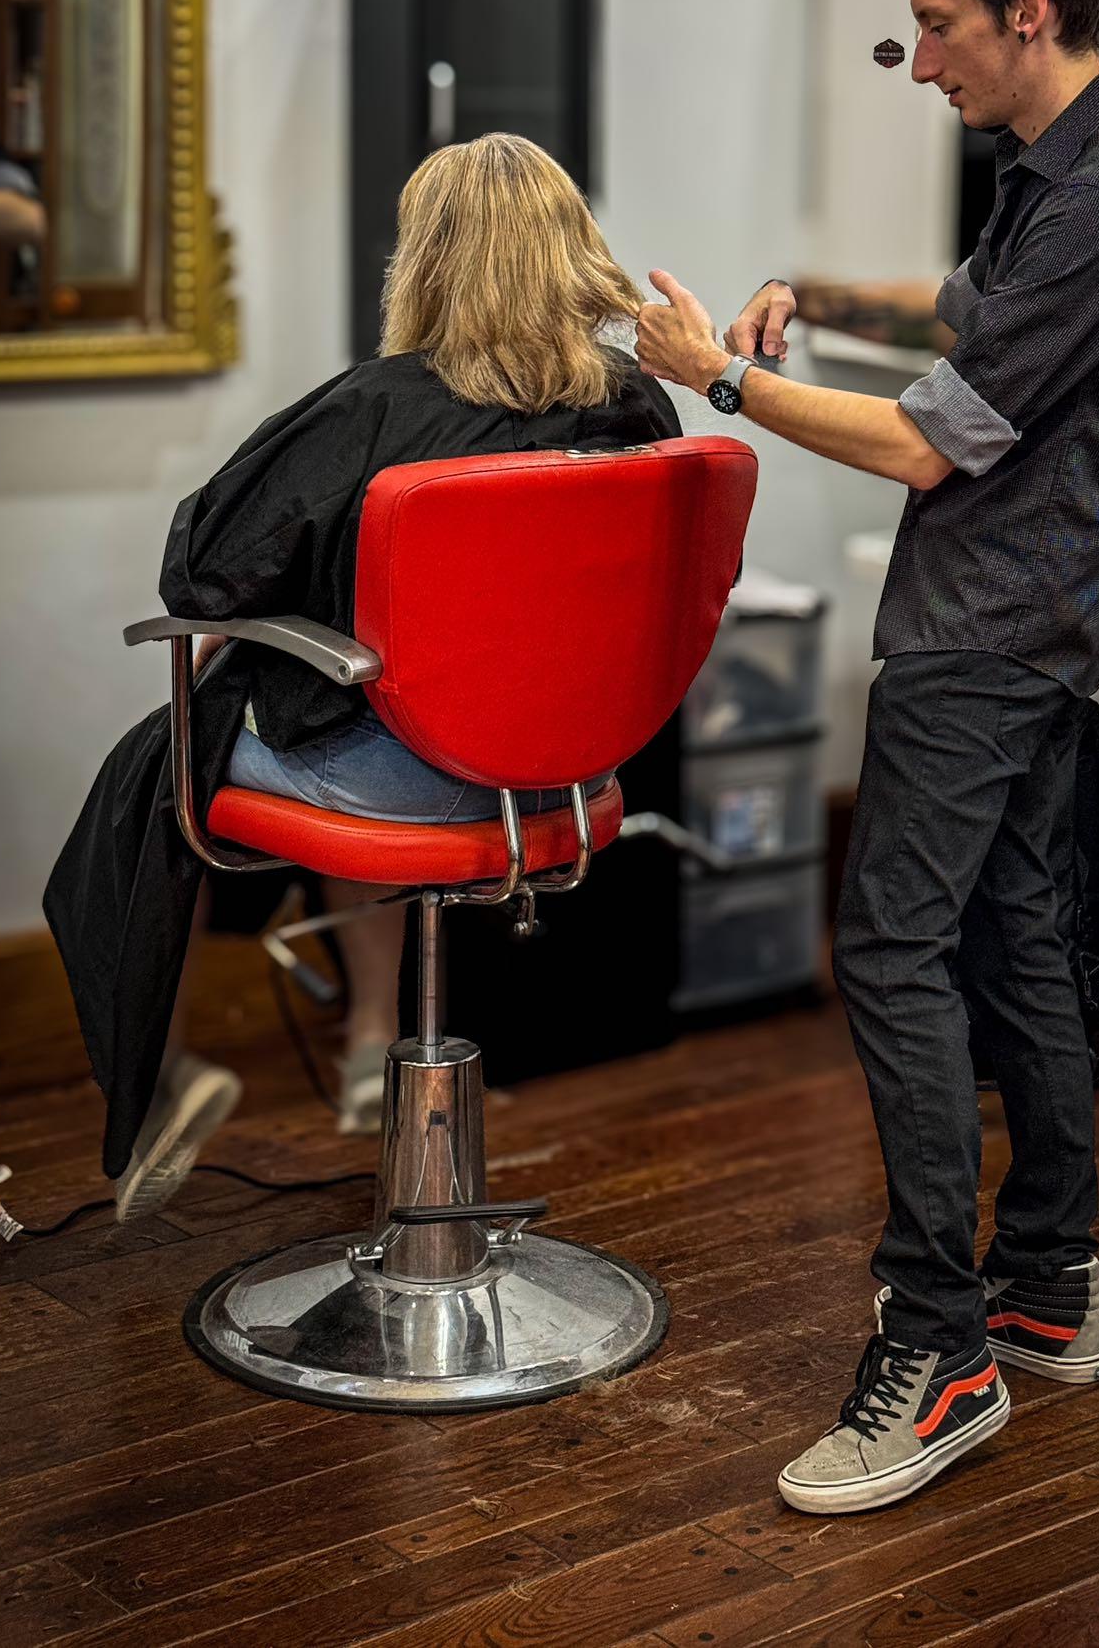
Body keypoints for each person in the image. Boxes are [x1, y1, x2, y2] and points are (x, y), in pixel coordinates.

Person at [636, 0, 1099, 1516]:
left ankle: (941, 1347)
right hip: (1024, 621)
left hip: (986, 633)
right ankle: (1042, 1284)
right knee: (1013, 932)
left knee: (888, 944)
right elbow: (970, 337)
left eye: (937, 23)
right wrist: (817, 299)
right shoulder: (1073, 167)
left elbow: (919, 438)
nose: (920, 59)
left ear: (1028, 11)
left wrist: (724, 377)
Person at [46, 134, 679, 1219]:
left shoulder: (376, 407)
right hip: (568, 776)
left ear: (423, 261)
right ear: (577, 251)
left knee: (171, 755)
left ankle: (158, 1078)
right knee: (357, 702)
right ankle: (369, 1046)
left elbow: (200, 573)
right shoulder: (638, 409)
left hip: (414, 781)